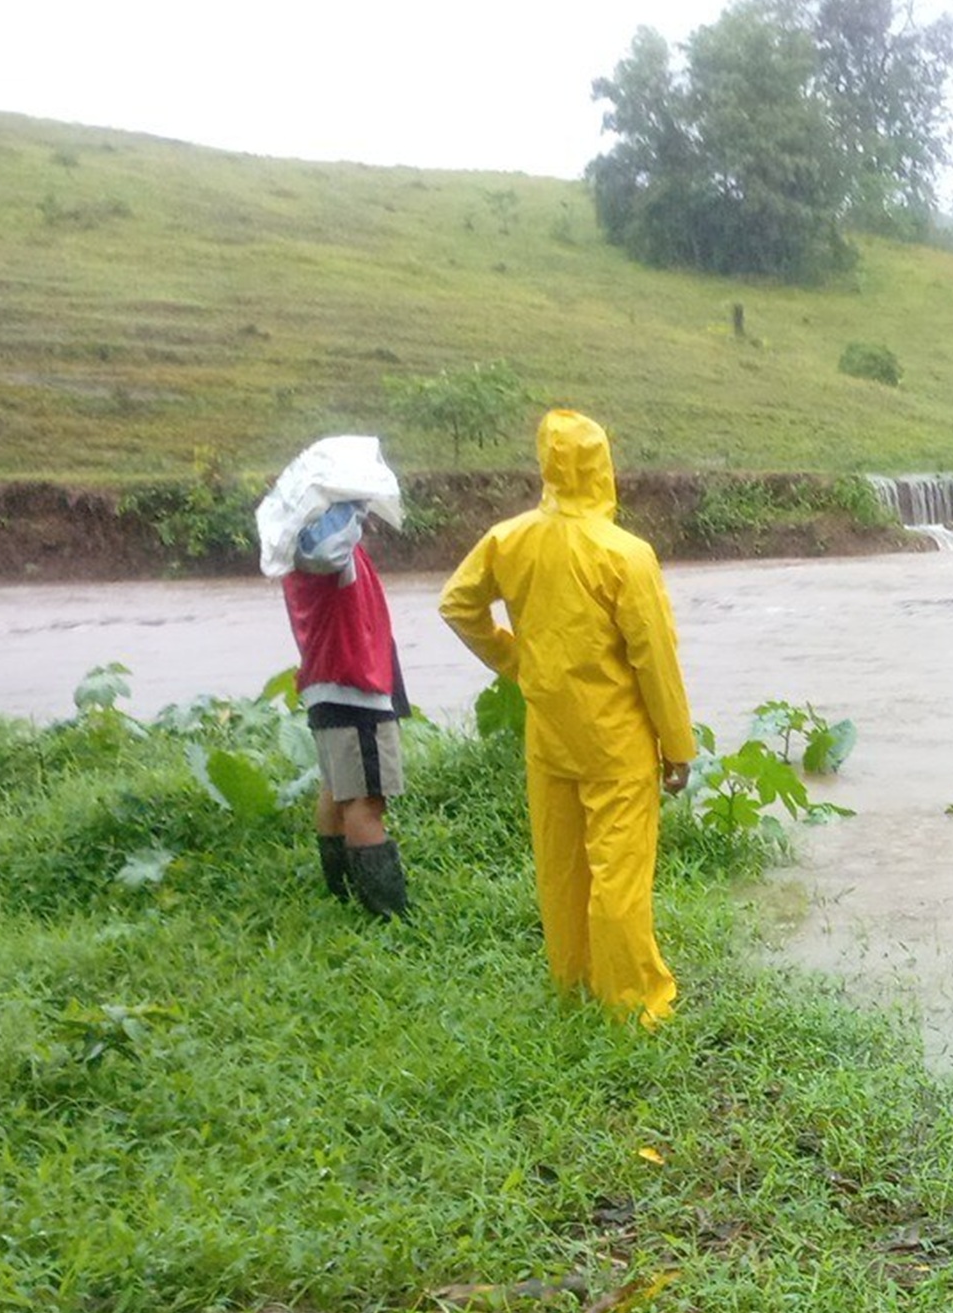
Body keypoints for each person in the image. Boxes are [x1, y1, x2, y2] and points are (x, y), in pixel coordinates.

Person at [438, 409, 695, 1027]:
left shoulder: (509, 540)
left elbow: (458, 605)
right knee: (619, 873)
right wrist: (677, 745)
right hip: (617, 741)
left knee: (562, 865)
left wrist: (518, 661)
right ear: (603, 467)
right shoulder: (625, 555)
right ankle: (632, 1001)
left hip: (549, 734)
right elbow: (654, 658)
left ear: (546, 466)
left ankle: (572, 979)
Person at [256, 434, 412, 919]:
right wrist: (353, 499)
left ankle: (342, 897)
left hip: (329, 685)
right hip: (353, 686)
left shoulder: (297, 553)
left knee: (337, 790)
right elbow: (331, 542)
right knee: (367, 801)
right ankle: (387, 915)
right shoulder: (319, 549)